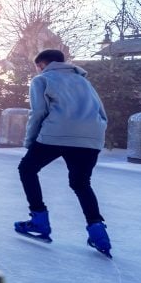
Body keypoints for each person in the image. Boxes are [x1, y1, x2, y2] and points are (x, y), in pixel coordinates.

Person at [14, 49, 112, 258]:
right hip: (91, 136)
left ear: (41, 64)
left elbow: (38, 112)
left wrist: (30, 141)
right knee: (81, 183)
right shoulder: (84, 82)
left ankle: (39, 220)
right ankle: (98, 232)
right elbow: (102, 112)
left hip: (56, 133)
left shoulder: (42, 80)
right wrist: (93, 135)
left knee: (27, 169)